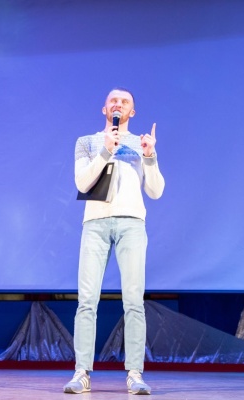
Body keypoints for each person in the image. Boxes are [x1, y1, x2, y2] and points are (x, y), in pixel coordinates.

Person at [63, 88, 165, 395]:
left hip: (131, 223)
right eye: (113, 101)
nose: (118, 104)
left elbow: (156, 191)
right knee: (87, 301)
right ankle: (82, 372)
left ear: (132, 112)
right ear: (104, 109)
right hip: (95, 224)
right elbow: (82, 183)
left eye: (125, 102)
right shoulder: (87, 142)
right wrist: (106, 150)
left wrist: (150, 156)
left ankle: (135, 373)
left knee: (134, 301)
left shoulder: (141, 143)